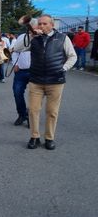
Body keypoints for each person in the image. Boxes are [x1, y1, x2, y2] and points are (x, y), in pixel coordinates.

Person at [14, 15, 77, 150]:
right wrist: (31, 35)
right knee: (33, 110)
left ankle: (49, 138)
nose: (41, 26)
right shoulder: (34, 38)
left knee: (52, 111)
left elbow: (73, 56)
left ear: (51, 25)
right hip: (36, 80)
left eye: (44, 24)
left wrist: (63, 68)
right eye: (39, 24)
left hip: (56, 81)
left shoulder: (62, 38)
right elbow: (17, 48)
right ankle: (34, 137)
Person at [11, 19, 36, 126]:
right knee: (17, 93)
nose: (30, 28)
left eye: (33, 27)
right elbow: (14, 51)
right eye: (29, 26)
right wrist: (15, 64)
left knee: (34, 95)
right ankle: (22, 115)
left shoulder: (41, 38)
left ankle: (31, 117)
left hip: (35, 71)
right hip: (20, 70)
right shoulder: (21, 37)